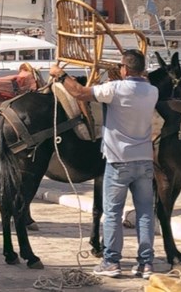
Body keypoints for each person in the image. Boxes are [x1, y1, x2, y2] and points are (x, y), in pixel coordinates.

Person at [48, 49, 158, 279]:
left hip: (118, 161)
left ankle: (111, 262)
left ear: (124, 69)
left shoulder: (115, 89)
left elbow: (79, 92)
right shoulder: (152, 91)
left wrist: (60, 75)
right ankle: (146, 264)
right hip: (145, 160)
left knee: (112, 213)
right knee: (146, 214)